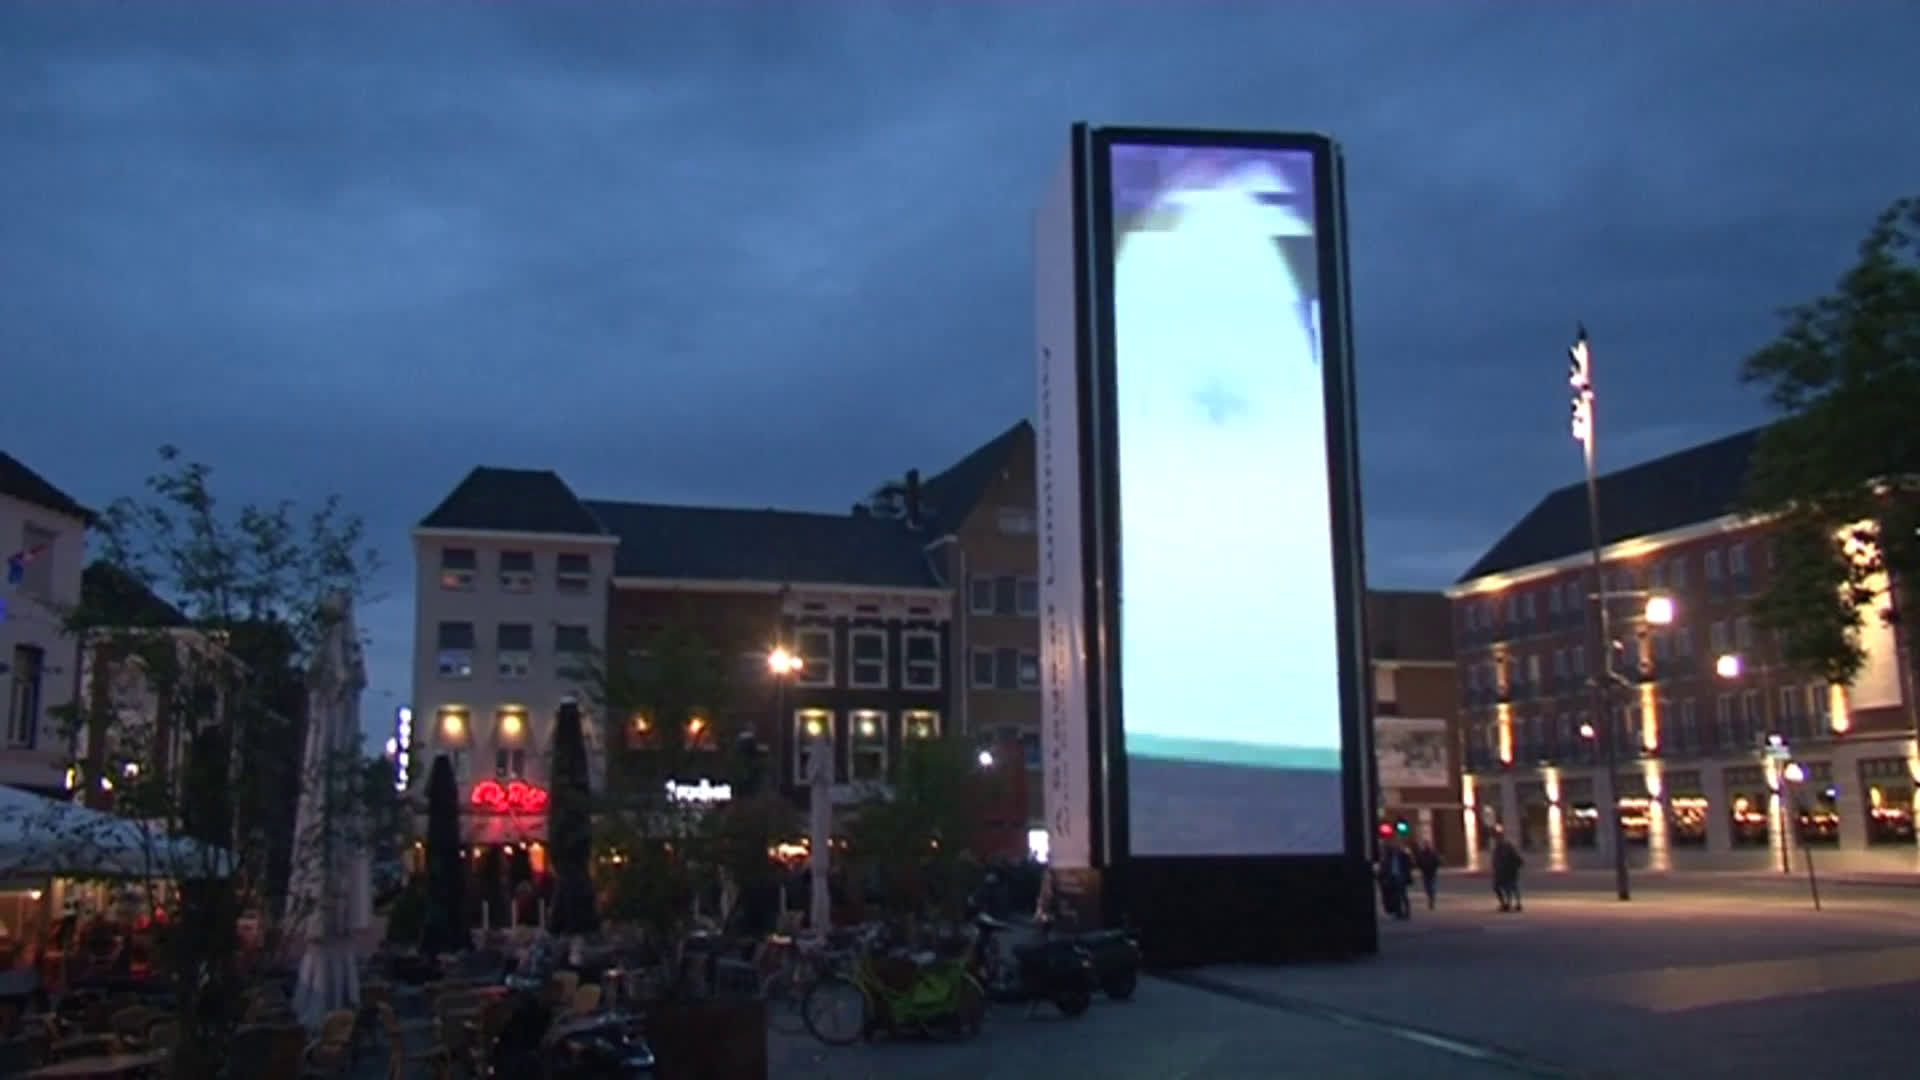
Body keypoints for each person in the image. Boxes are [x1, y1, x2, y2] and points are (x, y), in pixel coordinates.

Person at [1491, 830, 1525, 912]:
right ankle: (1506, 904)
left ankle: (1512, 904)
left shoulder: (1507, 847)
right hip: (1502, 872)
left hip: (1508, 871)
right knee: (1501, 887)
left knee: (1510, 887)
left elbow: (1514, 858)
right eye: (1496, 838)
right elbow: (1496, 860)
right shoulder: (1498, 848)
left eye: (1498, 838)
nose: (1497, 840)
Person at [1415, 839, 1441, 910]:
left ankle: (1431, 900)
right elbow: (1418, 862)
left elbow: (1437, 861)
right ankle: (1430, 897)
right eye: (1425, 845)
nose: (1426, 846)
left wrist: (1435, 868)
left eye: (1427, 844)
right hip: (1425, 873)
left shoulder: (1433, 853)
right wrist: (1421, 867)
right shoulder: (1421, 853)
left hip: (1432, 873)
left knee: (1432, 887)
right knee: (1427, 887)